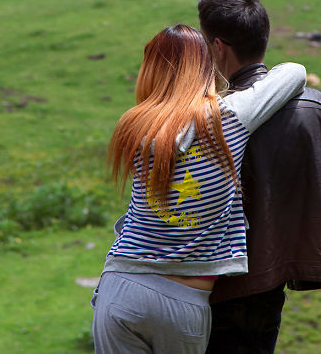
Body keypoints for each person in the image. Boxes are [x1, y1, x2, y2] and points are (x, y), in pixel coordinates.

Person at [91, 24, 306, 354]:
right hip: (183, 298)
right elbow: (294, 72)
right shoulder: (230, 117)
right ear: (207, 69)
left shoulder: (135, 126)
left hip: (121, 284)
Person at [197, 0, 321, 353]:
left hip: (218, 284)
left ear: (218, 47)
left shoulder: (216, 118)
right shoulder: (317, 106)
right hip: (272, 283)